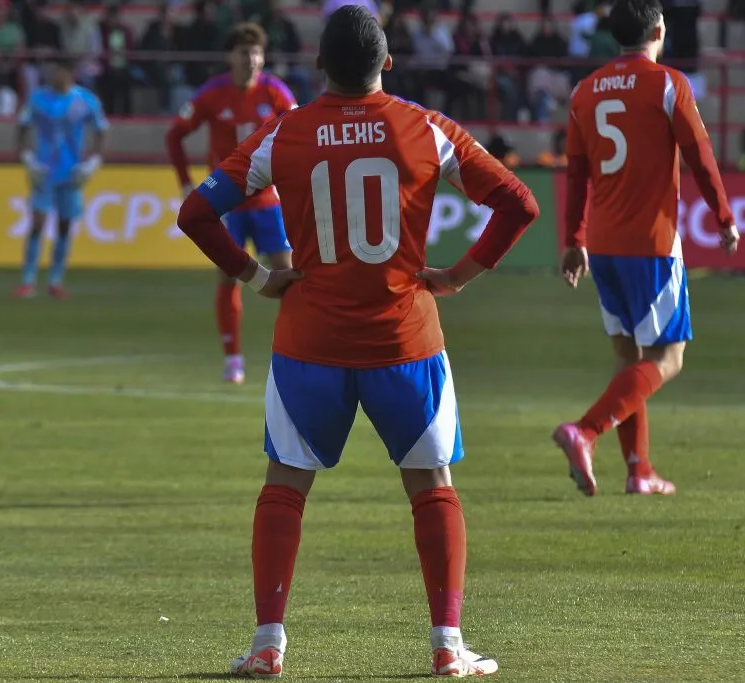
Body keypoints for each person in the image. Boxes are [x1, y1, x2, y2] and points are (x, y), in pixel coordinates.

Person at [175, 6, 539, 677]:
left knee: (285, 484)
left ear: (318, 65)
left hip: (309, 342)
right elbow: (519, 201)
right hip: (406, 341)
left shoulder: (282, 133)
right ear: (388, 63)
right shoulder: (429, 130)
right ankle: (446, 643)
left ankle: (267, 643)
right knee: (431, 485)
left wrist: (258, 275)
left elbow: (194, 211)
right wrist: (458, 275)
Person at [555, 0, 738, 496]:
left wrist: (574, 240)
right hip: (652, 243)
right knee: (668, 357)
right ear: (659, 30)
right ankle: (584, 431)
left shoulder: (584, 91)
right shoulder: (668, 84)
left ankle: (639, 471)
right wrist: (723, 216)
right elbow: (699, 153)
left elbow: (576, 176)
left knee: (628, 358)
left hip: (604, 244)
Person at [165, 23, 298, 384]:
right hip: (227, 204)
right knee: (228, 277)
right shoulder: (211, 94)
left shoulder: (275, 92)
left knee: (289, 278)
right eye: (244, 52)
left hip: (268, 200)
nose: (252, 59)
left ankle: (294, 353)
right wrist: (185, 184)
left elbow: (299, 132)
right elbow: (175, 135)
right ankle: (233, 357)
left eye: (257, 53)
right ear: (230, 57)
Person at [14, 56, 108, 300]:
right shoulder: (38, 99)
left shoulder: (85, 101)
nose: (54, 76)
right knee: (37, 223)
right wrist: (27, 159)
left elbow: (100, 131)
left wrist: (93, 162)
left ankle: (55, 280)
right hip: (43, 171)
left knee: (64, 227)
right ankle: (28, 280)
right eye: (52, 71)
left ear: (70, 73)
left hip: (71, 172)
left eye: (59, 72)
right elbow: (22, 128)